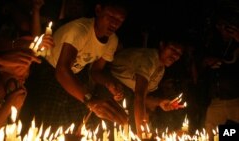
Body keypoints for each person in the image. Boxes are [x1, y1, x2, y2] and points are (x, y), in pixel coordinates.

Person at [20, 0, 129, 133]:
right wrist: (91, 100)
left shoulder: (112, 40)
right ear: (99, 10)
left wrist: (109, 83)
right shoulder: (80, 30)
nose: (115, 23)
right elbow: (62, 70)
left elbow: (96, 71)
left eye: (120, 20)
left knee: (79, 121)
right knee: (48, 123)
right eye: (111, 16)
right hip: (50, 71)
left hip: (74, 73)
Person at [103, 32, 191, 137]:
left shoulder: (160, 69)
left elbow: (143, 98)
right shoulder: (149, 59)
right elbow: (139, 97)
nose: (175, 55)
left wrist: (160, 102)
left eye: (179, 53)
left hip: (125, 95)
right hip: (107, 86)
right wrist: (143, 135)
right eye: (173, 49)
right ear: (162, 45)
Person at [198, 6, 239, 139]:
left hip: (235, 100)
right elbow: (200, 65)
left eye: (227, 25)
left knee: (232, 134)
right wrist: (207, 62)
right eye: (220, 25)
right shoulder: (212, 43)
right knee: (212, 135)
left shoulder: (237, 42)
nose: (223, 28)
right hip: (215, 100)